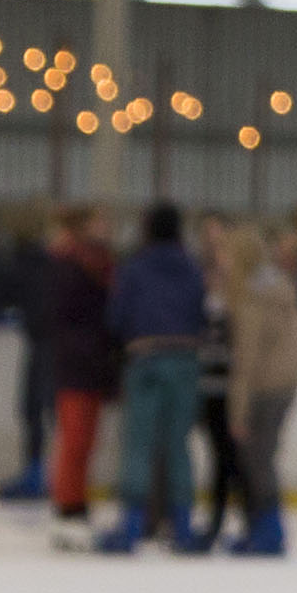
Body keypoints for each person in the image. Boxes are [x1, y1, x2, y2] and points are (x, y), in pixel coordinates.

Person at [93, 205, 213, 555]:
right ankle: (183, 529)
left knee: (139, 444)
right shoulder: (192, 269)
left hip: (145, 358)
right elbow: (202, 313)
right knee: (178, 446)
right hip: (186, 361)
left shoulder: (135, 268)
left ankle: (130, 528)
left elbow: (116, 317)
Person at [214, 218, 297, 558]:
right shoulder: (274, 286)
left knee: (258, 459)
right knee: (260, 457)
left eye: (224, 253)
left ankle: (269, 532)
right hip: (285, 379)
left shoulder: (253, 297)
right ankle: (261, 528)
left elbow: (247, 360)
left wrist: (237, 414)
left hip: (268, 385)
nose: (219, 260)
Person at [30, 212, 117, 543]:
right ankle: (67, 506)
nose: (104, 228)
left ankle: (76, 504)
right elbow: (58, 318)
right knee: (74, 440)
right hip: (74, 365)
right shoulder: (65, 266)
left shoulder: (103, 265)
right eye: (97, 222)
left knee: (85, 442)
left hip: (94, 365)